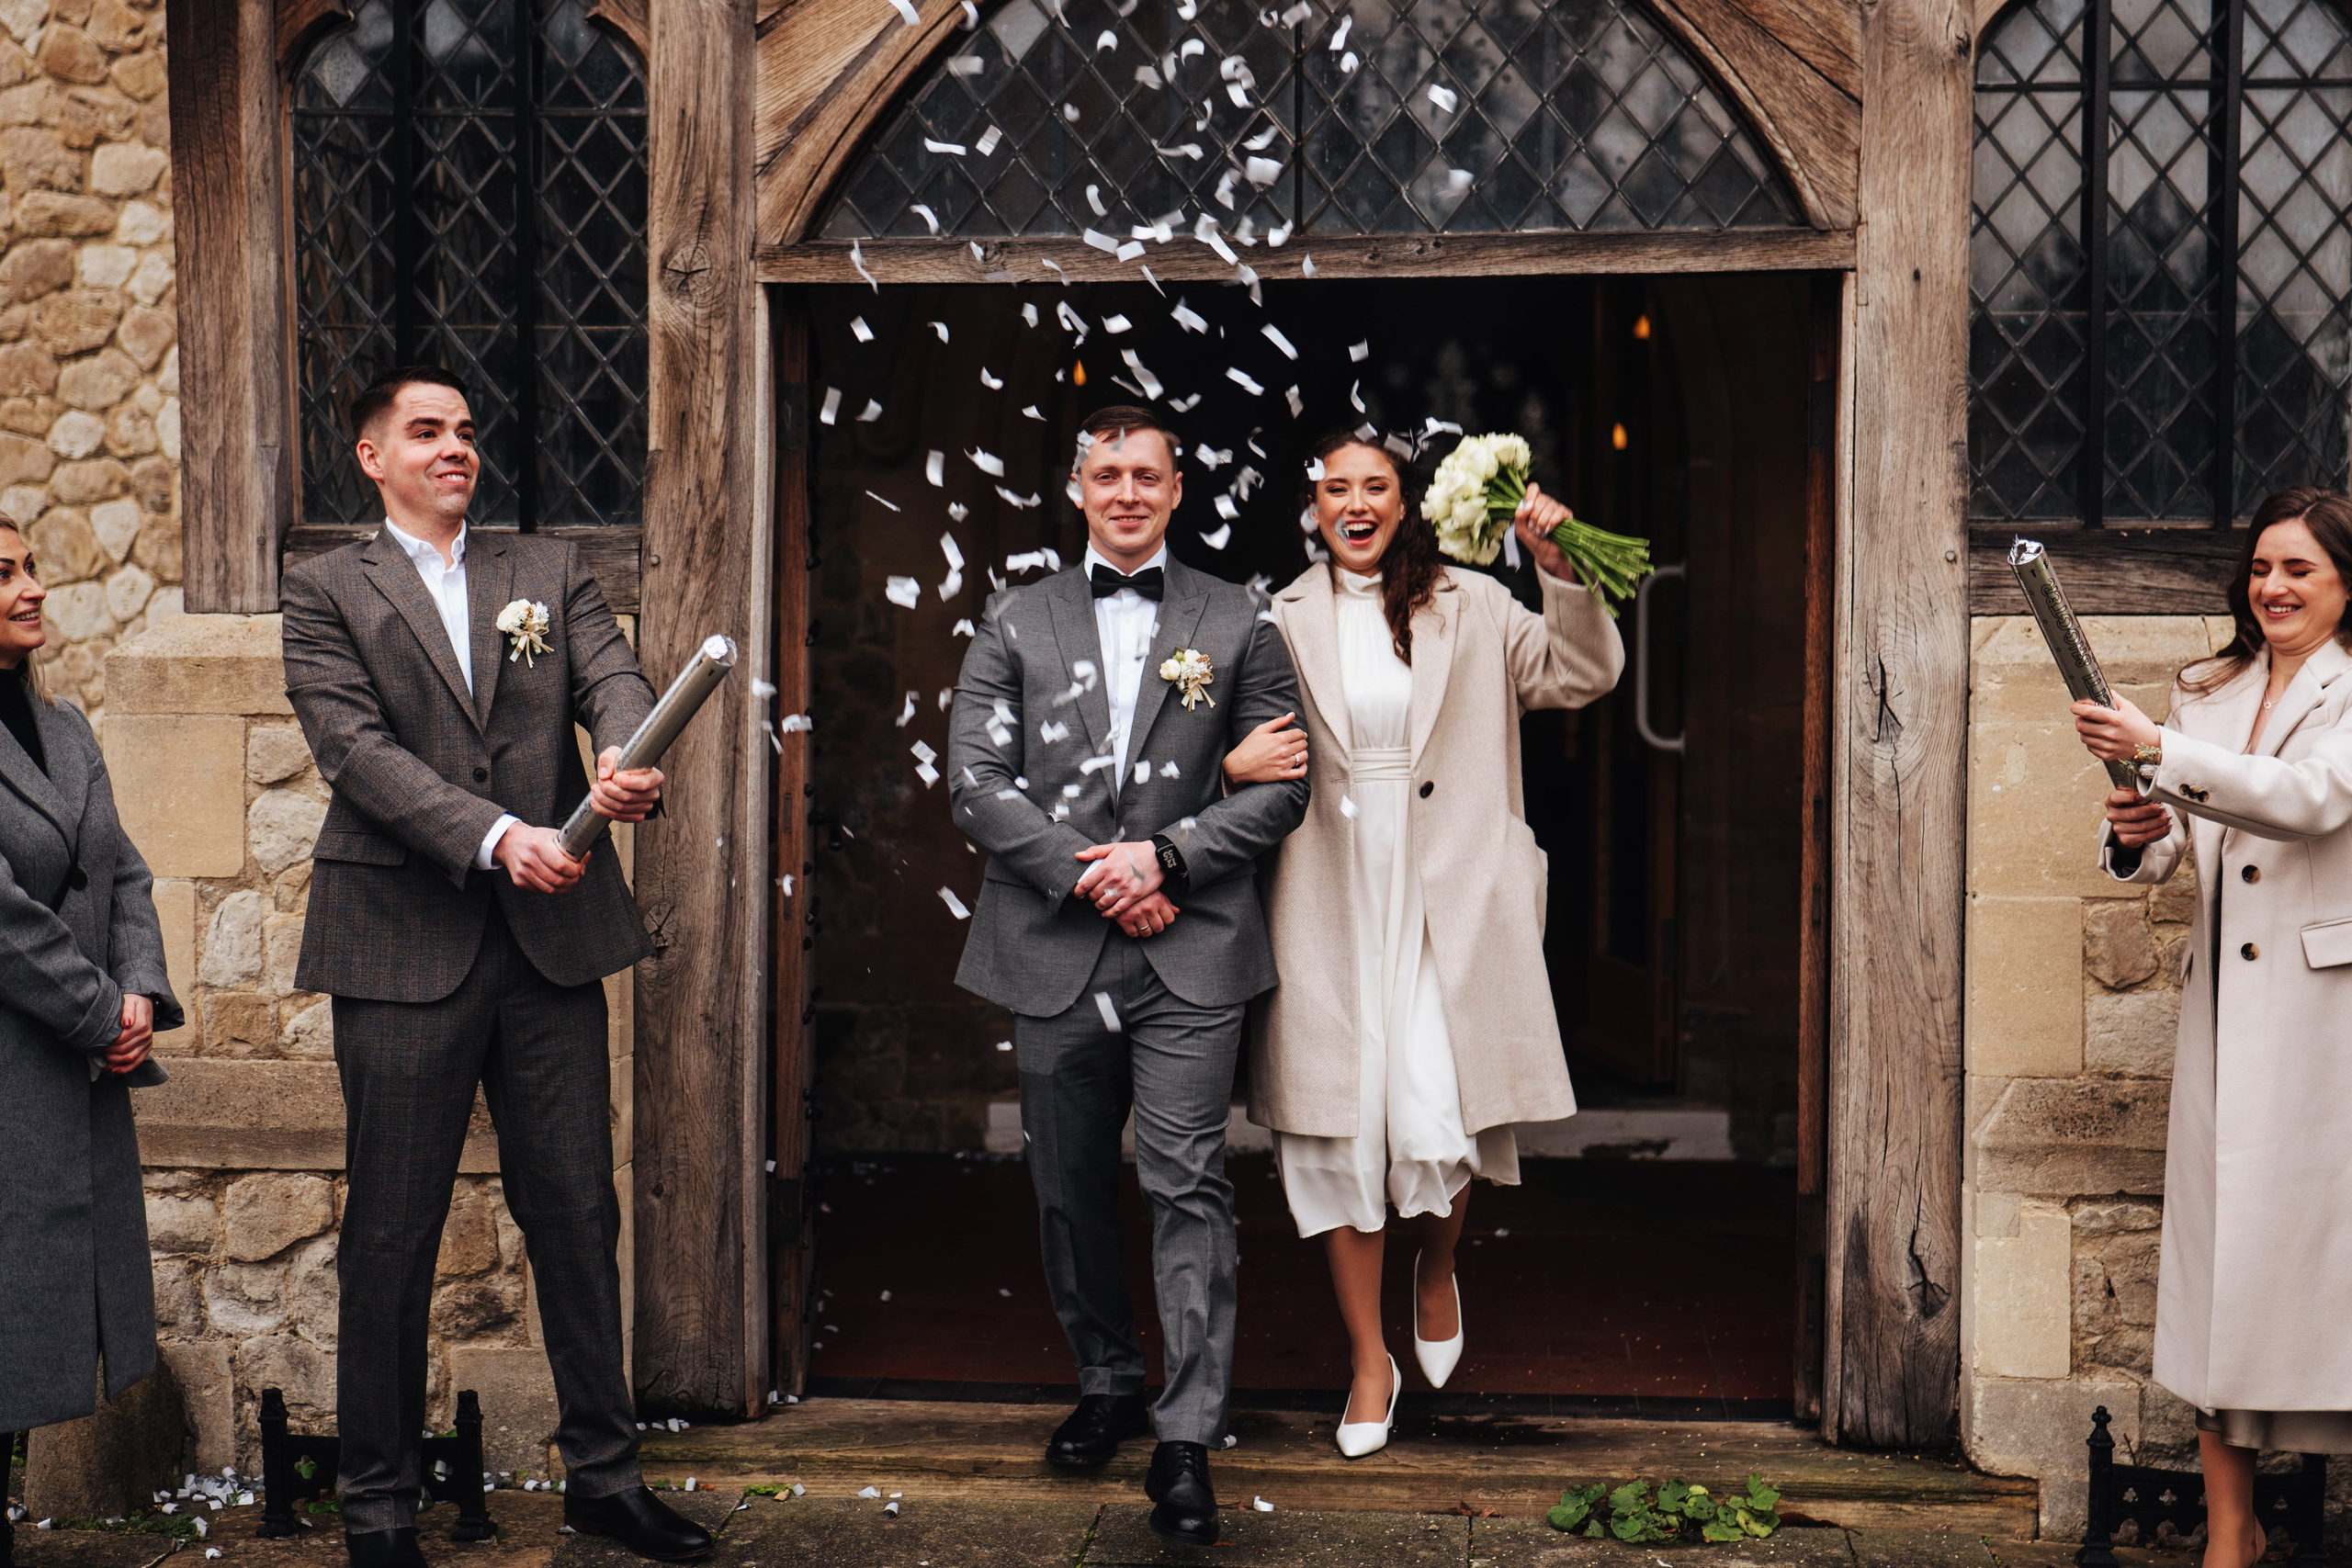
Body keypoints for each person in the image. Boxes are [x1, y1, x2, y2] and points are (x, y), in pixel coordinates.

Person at [279, 367, 707, 1568]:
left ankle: (604, 1479)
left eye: (468, 428)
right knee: (394, 1228)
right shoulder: (322, 590)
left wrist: (625, 748)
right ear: (372, 456)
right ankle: (376, 1505)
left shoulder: (546, 568)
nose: (455, 446)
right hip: (402, 940)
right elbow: (354, 753)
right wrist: (498, 835)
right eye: (427, 430)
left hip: (550, 947)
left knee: (577, 1210)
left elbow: (611, 672)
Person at [946, 406, 1309, 1544]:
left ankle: (1187, 1432)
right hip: (1055, 944)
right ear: (1076, 487)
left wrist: (1169, 856)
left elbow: (1285, 781)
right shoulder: (1014, 617)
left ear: (1177, 489)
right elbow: (974, 780)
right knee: (1064, 1181)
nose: (1127, 492)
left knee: (1185, 1180)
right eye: (1108, 474)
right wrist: (1096, 875)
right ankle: (1105, 1378)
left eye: (1147, 475)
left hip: (1192, 950)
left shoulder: (1237, 616)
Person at [1222, 432, 1623, 1457]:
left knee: (1440, 1122)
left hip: (1450, 897)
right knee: (1336, 1133)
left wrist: (1560, 563)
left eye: (1376, 488)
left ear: (1405, 503)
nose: (1356, 504)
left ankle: (1436, 1265)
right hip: (1327, 897)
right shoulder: (1275, 616)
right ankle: (1368, 1361)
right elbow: (1229, 743)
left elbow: (1582, 671)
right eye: (1335, 490)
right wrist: (1230, 762)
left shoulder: (1475, 603)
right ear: (1312, 506)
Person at [2075, 484, 2352, 1568]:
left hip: (2324, 1029)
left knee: (2317, 1275)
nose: (2273, 587)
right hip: (2224, 1025)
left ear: (2345, 585)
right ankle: (2228, 1539)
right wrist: (2136, 827)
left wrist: (2162, 756)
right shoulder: (2209, 690)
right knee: (2217, 1271)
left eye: (2300, 570)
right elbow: (2179, 846)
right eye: (2261, 568)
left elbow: (2310, 801)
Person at [0, 514, 182, 1563]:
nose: (32, 588)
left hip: (75, 1060)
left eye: (32, 567)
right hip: (17, 1059)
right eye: (6, 574)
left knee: (36, 1300)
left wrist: (140, 993)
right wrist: (93, 1008)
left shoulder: (67, 728)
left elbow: (128, 874)